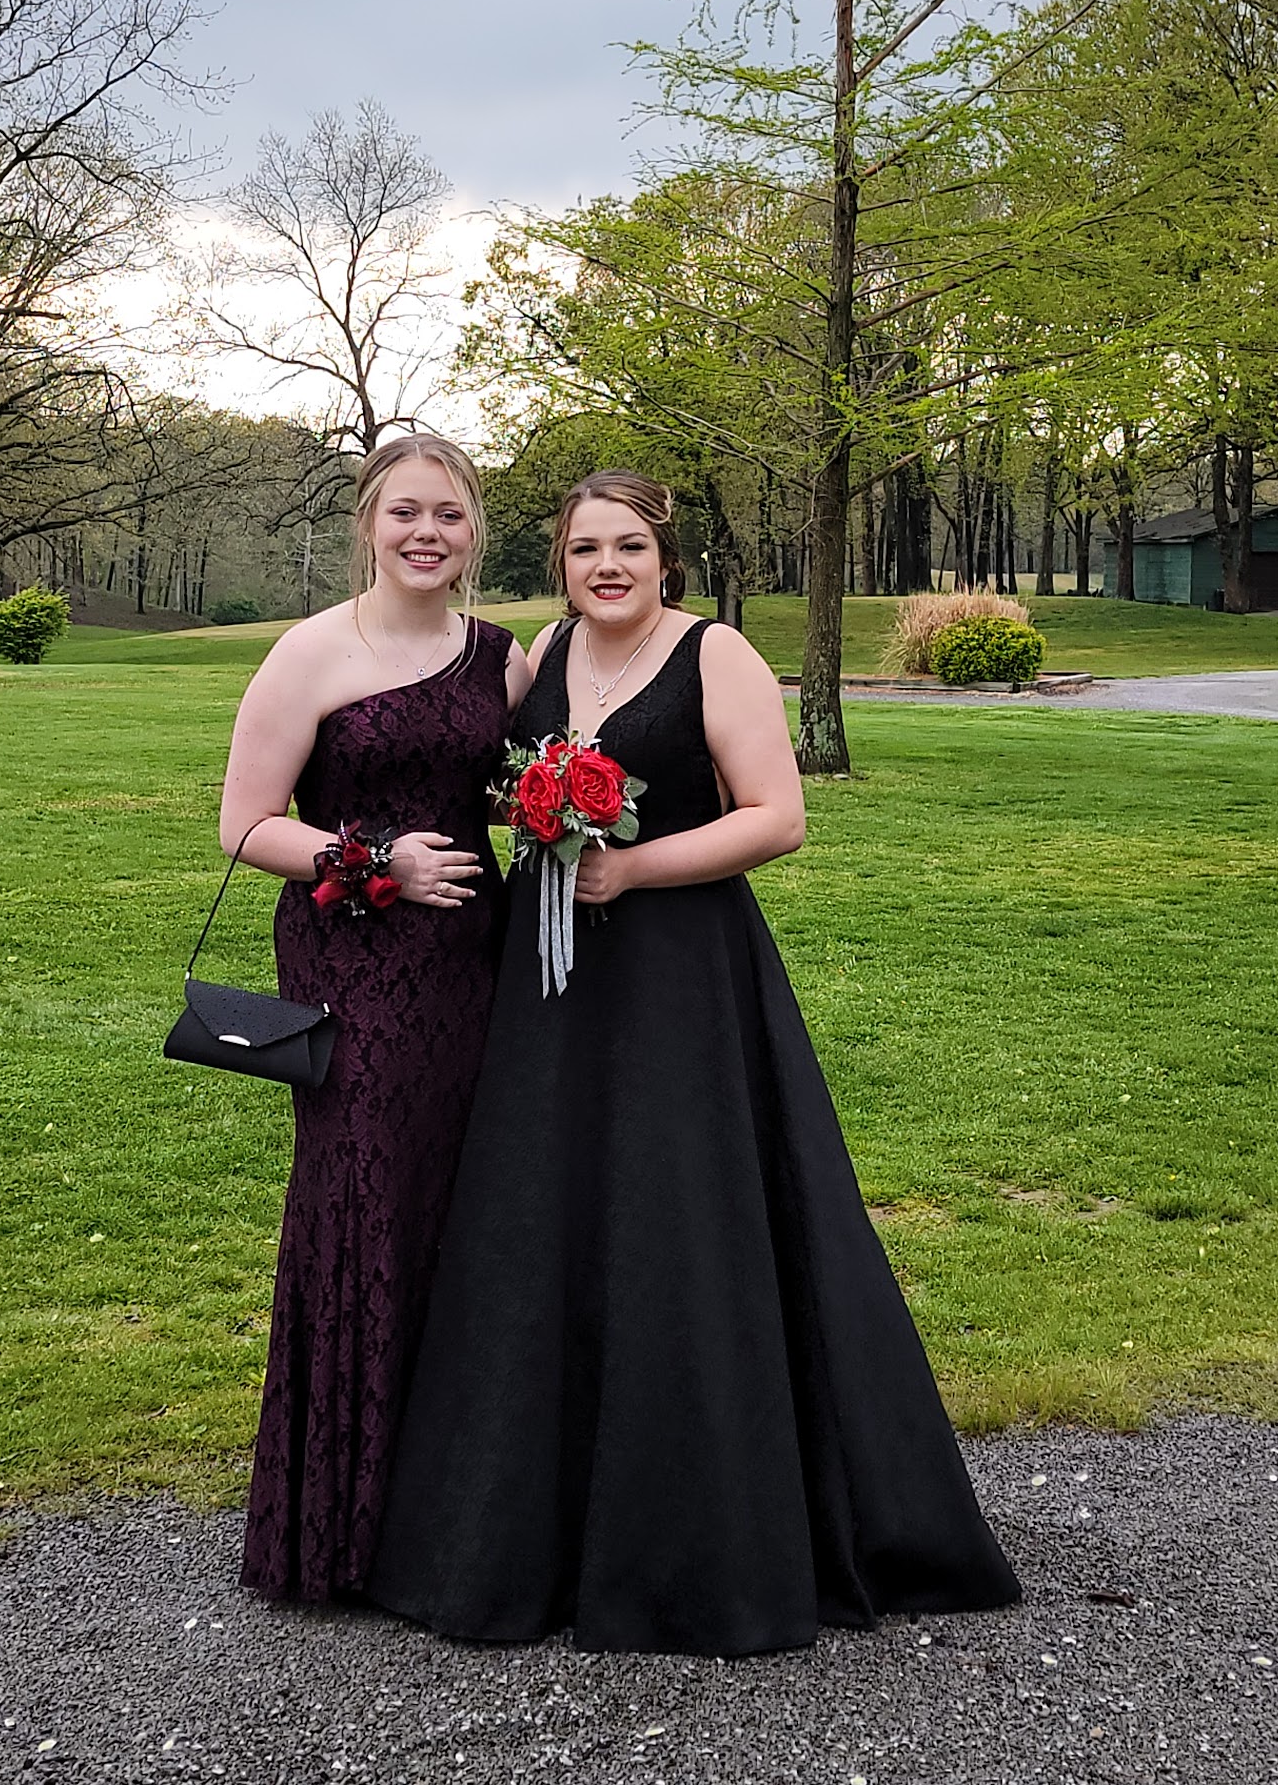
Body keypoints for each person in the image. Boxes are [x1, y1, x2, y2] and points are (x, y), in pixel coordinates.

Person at [367, 469, 1019, 1656]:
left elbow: (776, 815)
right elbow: (489, 780)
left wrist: (634, 865)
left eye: (628, 546)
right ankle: (528, 1525)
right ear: (561, 563)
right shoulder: (544, 655)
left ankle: (703, 1522)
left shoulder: (715, 653)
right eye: (584, 549)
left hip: (682, 979)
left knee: (680, 1219)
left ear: (666, 557)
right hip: (550, 987)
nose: (606, 566)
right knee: (544, 1216)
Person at [217, 431, 530, 1602]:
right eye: (406, 512)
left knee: (467, 1206)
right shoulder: (310, 652)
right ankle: (338, 1526)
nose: (426, 533)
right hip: (351, 965)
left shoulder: (498, 658)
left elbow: (527, 787)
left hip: (475, 967)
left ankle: (458, 1513)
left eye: (448, 514)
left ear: (473, 528)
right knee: (363, 1202)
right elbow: (246, 823)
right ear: (368, 522)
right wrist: (373, 859)